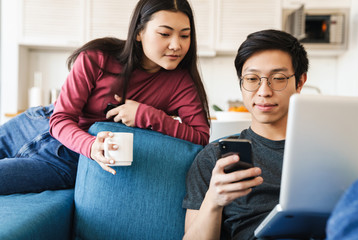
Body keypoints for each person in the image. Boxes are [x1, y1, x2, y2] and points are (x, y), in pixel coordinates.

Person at [0, 0, 210, 195]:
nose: (177, 45)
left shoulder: (181, 83)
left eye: (184, 35)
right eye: (165, 34)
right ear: (139, 33)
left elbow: (201, 137)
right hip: (35, 124)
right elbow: (61, 118)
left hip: (68, 160)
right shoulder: (98, 57)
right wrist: (90, 145)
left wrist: (147, 115)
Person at [182, 29, 308, 239]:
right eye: (252, 78)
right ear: (241, 83)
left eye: (278, 78)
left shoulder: (327, 152)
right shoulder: (214, 158)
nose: (264, 91)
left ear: (300, 82)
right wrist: (214, 201)